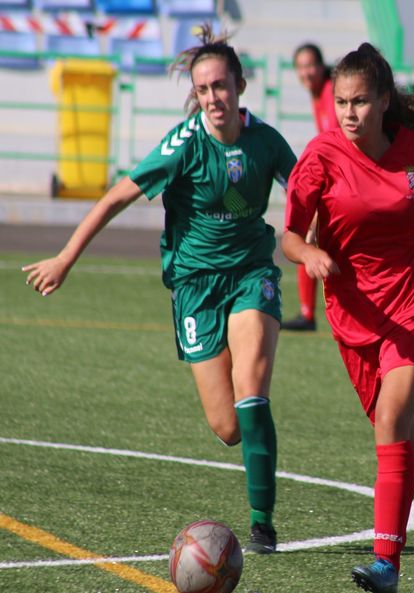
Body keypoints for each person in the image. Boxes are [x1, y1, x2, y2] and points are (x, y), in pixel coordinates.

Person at [22, 25, 297, 550]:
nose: (213, 97)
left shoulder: (266, 142)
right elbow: (113, 199)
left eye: (221, 85)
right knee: (227, 428)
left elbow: (311, 190)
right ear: (194, 95)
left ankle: (262, 522)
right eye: (203, 89)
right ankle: (249, 442)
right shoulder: (185, 143)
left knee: (252, 391)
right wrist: (64, 258)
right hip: (194, 288)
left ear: (240, 85)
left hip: (251, 275)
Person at [281, 43, 414, 592]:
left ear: (383, 101)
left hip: (412, 299)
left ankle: (386, 567)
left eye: (360, 102)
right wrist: (309, 255)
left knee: (391, 421)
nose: (349, 113)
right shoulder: (320, 157)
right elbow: (289, 235)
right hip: (353, 316)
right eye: (342, 102)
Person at [279, 42, 337, 332]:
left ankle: (310, 313)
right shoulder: (318, 94)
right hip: (334, 177)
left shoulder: (329, 93)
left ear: (321, 65)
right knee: (307, 236)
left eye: (310, 65)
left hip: (341, 179)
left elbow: (337, 145)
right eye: (301, 66)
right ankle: (307, 313)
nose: (306, 71)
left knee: (305, 235)